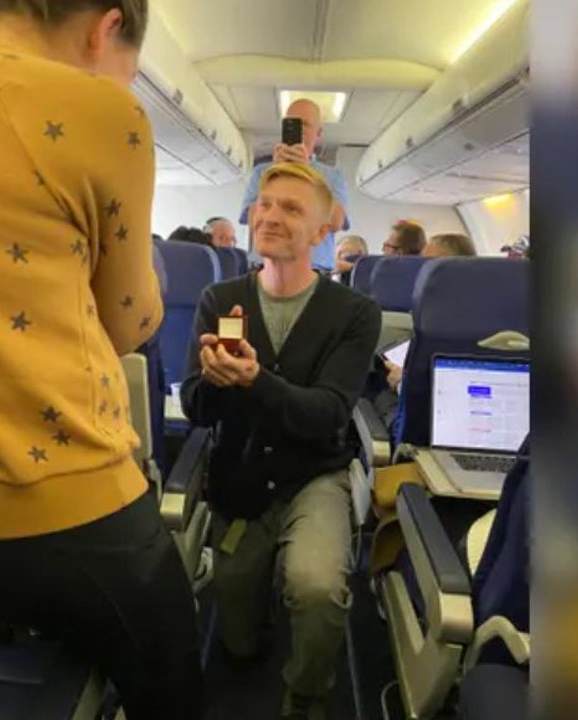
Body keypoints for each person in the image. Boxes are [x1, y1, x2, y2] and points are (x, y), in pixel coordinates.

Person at [0, 3, 202, 719]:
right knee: (170, 674)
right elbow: (127, 322)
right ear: (105, 27)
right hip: (49, 505)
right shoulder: (95, 109)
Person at [181, 162, 381, 719]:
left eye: (291, 208)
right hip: (240, 477)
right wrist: (216, 383)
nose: (269, 216)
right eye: (264, 205)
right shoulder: (220, 298)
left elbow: (329, 415)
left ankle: (306, 696)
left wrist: (255, 380)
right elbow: (196, 408)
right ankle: (254, 626)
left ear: (324, 231)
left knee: (316, 589)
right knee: (240, 641)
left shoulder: (354, 313)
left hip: (314, 474)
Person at [239, 99, 351, 273]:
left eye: (305, 124)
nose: (300, 130)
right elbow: (254, 220)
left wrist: (308, 173)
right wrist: (276, 174)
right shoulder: (261, 172)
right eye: (293, 123)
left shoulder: (333, 176)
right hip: (265, 268)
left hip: (314, 270)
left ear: (318, 132)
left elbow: (336, 222)